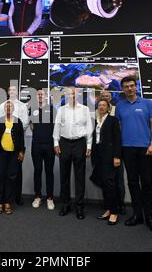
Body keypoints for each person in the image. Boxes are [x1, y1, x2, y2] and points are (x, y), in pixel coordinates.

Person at [115, 76, 152, 234]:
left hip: (146, 149)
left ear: (136, 87)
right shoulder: (119, 106)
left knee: (147, 183)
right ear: (122, 89)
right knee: (132, 183)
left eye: (131, 86)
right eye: (126, 86)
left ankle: (150, 218)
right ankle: (137, 215)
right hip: (127, 149)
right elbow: (119, 127)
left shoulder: (147, 103)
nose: (129, 88)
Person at [53, 87, 93, 220]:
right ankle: (65, 205)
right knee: (64, 176)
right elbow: (57, 126)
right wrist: (56, 143)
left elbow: (89, 127)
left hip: (79, 143)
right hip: (64, 143)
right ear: (66, 95)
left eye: (75, 94)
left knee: (79, 177)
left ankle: (79, 207)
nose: (73, 96)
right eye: (70, 94)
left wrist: (88, 145)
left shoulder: (85, 109)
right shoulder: (61, 109)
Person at [91, 99, 122, 225]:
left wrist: (117, 156)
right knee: (103, 183)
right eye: (99, 105)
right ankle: (108, 209)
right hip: (98, 155)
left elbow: (117, 139)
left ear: (108, 108)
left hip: (109, 156)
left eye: (104, 105)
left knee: (110, 184)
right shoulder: (96, 121)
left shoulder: (113, 120)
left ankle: (114, 212)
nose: (102, 107)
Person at [0, 101, 25, 215]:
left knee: (11, 178)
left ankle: (8, 203)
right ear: (4, 108)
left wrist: (21, 151)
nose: (9, 107)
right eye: (7, 106)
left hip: (13, 154)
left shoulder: (17, 121)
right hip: (0, 153)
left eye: (11, 106)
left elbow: (21, 137)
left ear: (14, 108)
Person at [0, 85, 28, 205]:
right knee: (2, 172)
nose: (12, 92)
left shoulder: (22, 106)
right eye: (10, 90)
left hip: (17, 141)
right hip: (3, 142)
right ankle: (4, 198)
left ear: (18, 92)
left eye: (15, 90)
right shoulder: (2, 105)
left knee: (16, 172)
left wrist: (16, 129)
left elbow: (25, 123)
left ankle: (16, 198)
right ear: (8, 92)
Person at [99, 90, 126, 215]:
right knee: (106, 181)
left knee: (118, 181)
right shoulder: (96, 114)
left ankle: (119, 205)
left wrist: (117, 155)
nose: (105, 98)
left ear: (111, 99)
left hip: (114, 153)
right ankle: (109, 206)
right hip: (101, 154)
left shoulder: (117, 111)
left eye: (107, 97)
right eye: (103, 97)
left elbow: (117, 136)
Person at [30, 88, 55, 210]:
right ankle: (37, 196)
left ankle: (50, 198)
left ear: (45, 96)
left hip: (49, 145)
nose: (40, 95)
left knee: (49, 171)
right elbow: (31, 125)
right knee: (37, 171)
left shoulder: (51, 109)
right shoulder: (32, 109)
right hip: (36, 145)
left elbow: (56, 126)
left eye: (42, 94)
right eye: (38, 94)